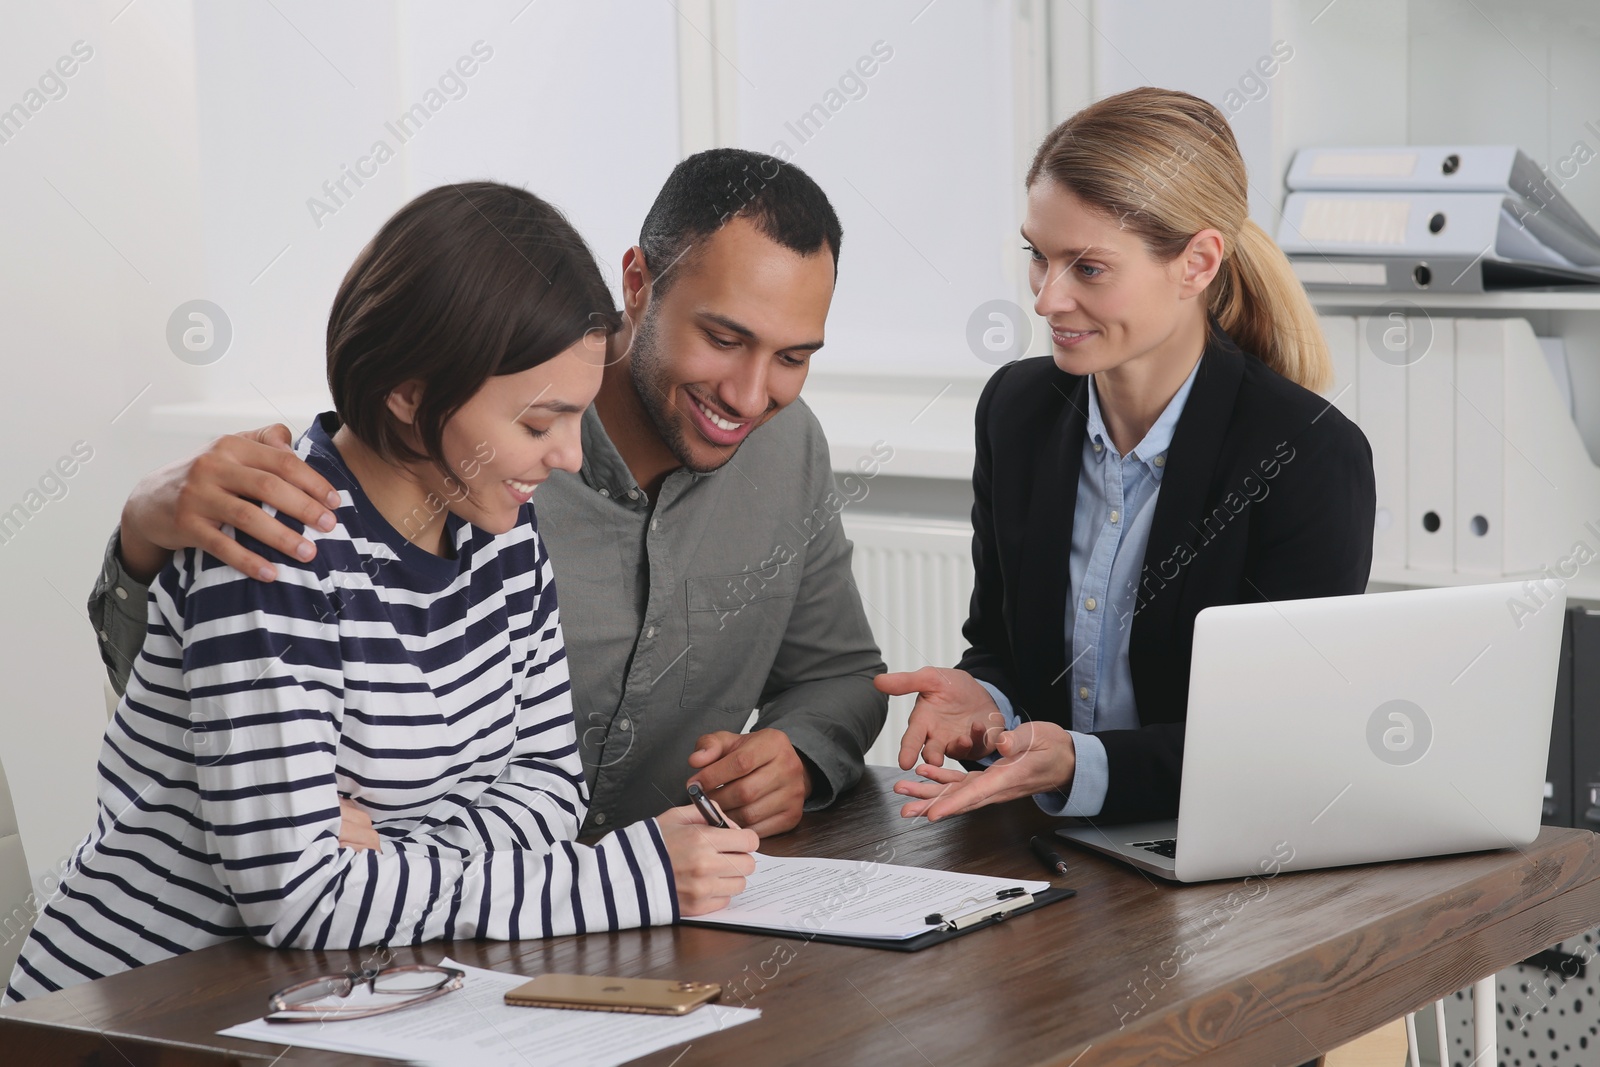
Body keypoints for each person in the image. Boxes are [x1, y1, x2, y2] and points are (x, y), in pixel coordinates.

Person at [4, 182, 757, 1003]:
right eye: (538, 424)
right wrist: (617, 880)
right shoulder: (275, 538)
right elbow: (298, 895)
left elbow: (548, 787)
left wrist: (386, 860)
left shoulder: (500, 527)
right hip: (138, 1010)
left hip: (334, 991)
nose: (570, 457)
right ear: (409, 394)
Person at [92, 150, 886, 839]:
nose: (752, 395)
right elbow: (211, 700)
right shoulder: (468, 471)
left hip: (622, 911)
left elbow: (841, 676)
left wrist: (797, 753)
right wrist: (143, 539)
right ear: (638, 285)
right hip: (411, 920)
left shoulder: (788, 448)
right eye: (723, 338)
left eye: (793, 357)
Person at [879, 87, 1376, 825]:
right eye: (1037, 258)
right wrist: (987, 700)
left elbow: (1280, 741)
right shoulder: (1016, 412)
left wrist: (1086, 765)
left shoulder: (1306, 455)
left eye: (1087, 268)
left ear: (1198, 262)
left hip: (1219, 855)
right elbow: (1000, 644)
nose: (1047, 300)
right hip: (1048, 848)